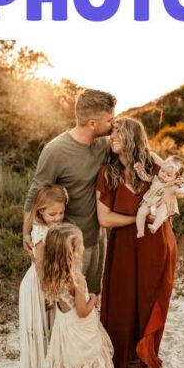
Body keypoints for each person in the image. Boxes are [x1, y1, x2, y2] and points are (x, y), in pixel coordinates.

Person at [96, 118, 178, 368]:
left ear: (133, 135)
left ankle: (144, 351)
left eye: (119, 132)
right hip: (124, 246)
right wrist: (135, 219)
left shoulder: (152, 163)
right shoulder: (107, 173)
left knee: (152, 297)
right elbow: (104, 218)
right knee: (122, 299)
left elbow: (175, 189)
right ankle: (122, 354)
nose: (113, 136)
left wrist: (167, 201)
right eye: (113, 133)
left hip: (156, 242)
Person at [23, 88, 116, 293]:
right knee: (69, 300)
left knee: (92, 294)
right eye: (110, 120)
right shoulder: (55, 150)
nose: (114, 124)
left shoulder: (104, 144)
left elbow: (135, 146)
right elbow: (35, 192)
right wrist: (26, 232)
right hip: (69, 243)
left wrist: (167, 167)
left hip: (98, 238)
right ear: (93, 123)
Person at [40, 224, 114, 368]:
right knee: (93, 367)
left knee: (71, 363)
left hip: (64, 326)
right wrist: (93, 299)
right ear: (71, 252)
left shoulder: (52, 275)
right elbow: (82, 311)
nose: (83, 247)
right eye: (80, 244)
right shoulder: (76, 280)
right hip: (80, 327)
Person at [19, 184, 67, 368]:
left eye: (61, 213)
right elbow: (39, 265)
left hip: (52, 281)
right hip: (39, 284)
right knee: (40, 327)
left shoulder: (55, 228)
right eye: (52, 214)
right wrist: (48, 292)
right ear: (40, 212)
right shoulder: (40, 231)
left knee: (52, 326)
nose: (57, 217)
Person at [135, 157, 184, 239]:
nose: (164, 175)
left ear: (175, 177)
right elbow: (145, 177)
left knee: (162, 211)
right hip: (149, 201)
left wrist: (179, 190)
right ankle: (140, 231)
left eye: (168, 175)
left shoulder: (174, 184)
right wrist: (139, 170)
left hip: (162, 204)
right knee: (141, 211)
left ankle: (155, 226)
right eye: (162, 171)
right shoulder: (155, 178)